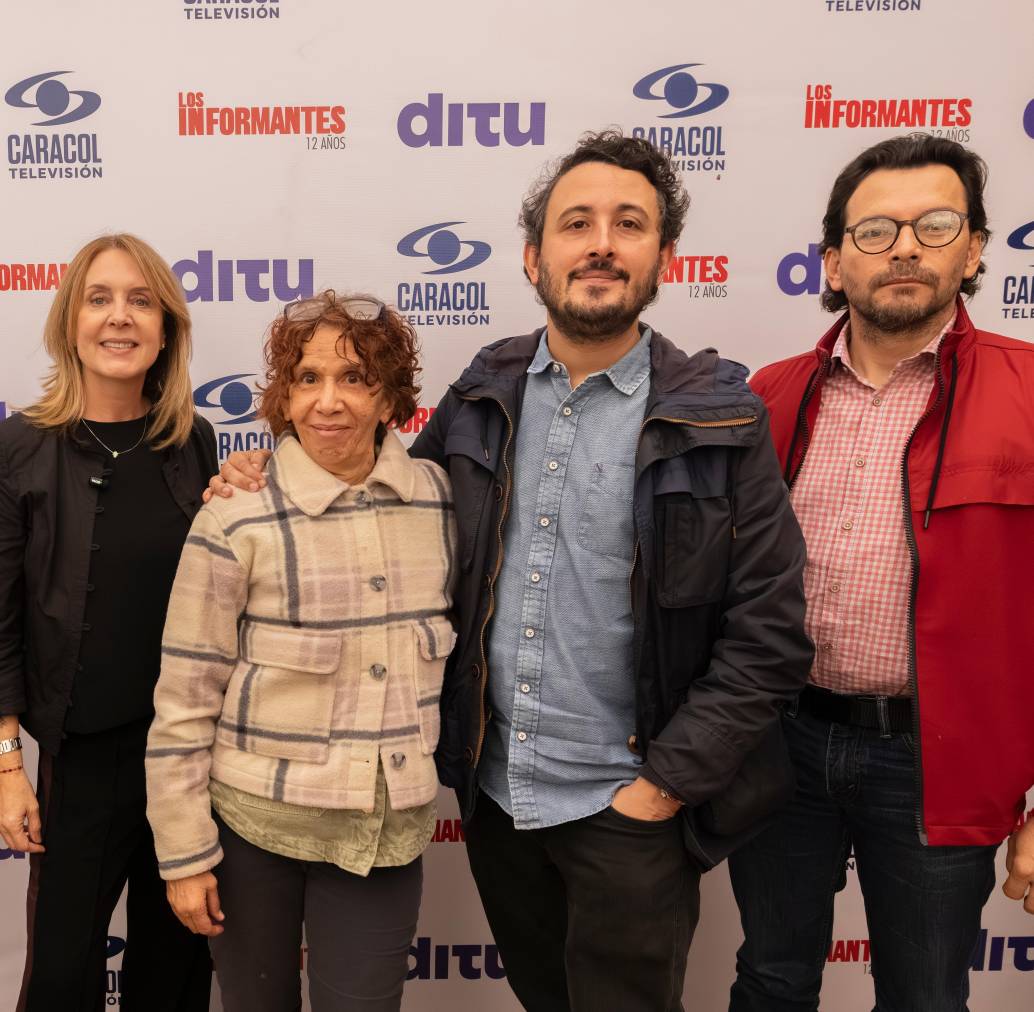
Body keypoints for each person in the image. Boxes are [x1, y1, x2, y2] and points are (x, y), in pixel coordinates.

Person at [210, 131, 813, 1011]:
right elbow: (380, 504)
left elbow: (769, 633)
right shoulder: (485, 389)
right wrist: (266, 470)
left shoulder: (721, 422)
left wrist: (665, 785)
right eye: (577, 223)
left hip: (630, 809)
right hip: (498, 802)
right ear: (535, 256)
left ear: (663, 258)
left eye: (629, 224)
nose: (601, 242)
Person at [728, 133, 1034, 1012]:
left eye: (934, 225)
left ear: (974, 249)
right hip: (781, 743)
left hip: (938, 757)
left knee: (926, 995)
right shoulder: (771, 394)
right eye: (874, 231)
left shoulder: (1025, 393)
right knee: (772, 978)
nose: (904, 246)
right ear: (832, 260)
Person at [146, 291, 455, 1012]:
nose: (329, 402)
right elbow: (186, 699)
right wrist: (185, 853)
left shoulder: (440, 502)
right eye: (308, 379)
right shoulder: (235, 514)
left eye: (355, 379)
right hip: (254, 833)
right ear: (282, 396)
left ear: (391, 399)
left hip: (382, 837)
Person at [0, 233, 215, 1011]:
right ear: (70, 323)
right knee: (60, 978)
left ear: (165, 329)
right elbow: (2, 625)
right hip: (79, 766)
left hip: (190, 763)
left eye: (140, 300)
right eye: (99, 298)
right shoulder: (20, 449)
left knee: (177, 974)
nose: (119, 318)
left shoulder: (194, 443)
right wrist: (5, 766)